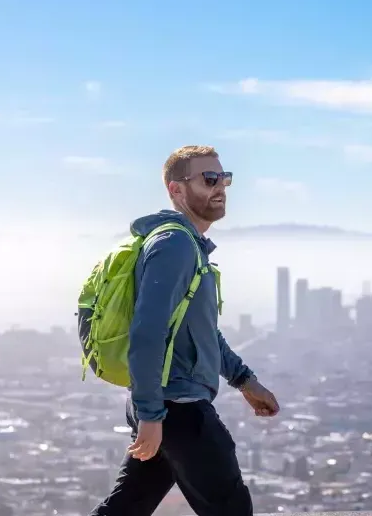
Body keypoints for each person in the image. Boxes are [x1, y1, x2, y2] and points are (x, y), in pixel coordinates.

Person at [91, 145, 280, 516]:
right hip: (176, 409)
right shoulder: (174, 244)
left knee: (126, 509)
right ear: (176, 190)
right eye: (209, 179)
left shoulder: (188, 246)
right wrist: (150, 416)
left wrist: (243, 380)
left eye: (224, 178)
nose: (220, 187)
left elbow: (201, 330)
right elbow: (147, 333)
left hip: (165, 407)